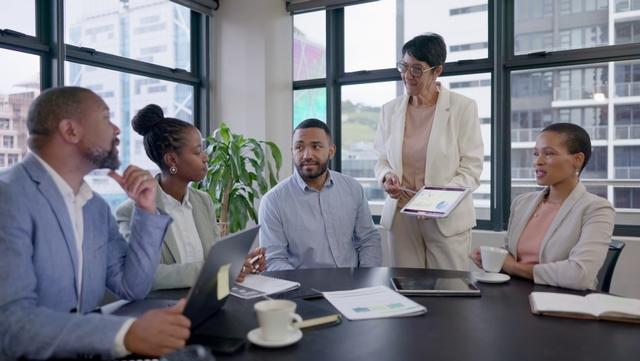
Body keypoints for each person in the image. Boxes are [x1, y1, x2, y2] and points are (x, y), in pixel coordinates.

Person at [0, 87, 190, 360]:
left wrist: (146, 210)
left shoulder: (96, 209)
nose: (116, 129)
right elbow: (10, 325)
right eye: (105, 117)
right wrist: (125, 334)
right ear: (71, 131)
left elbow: (132, 286)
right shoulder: (8, 197)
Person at [116, 104, 265, 289]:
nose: (205, 158)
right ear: (172, 160)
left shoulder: (203, 201)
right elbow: (147, 275)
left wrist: (236, 261)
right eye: (197, 152)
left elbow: (213, 257)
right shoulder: (131, 212)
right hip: (163, 310)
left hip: (208, 301)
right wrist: (213, 269)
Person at [374, 33, 484, 270]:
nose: (407, 76)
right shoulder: (389, 110)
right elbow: (382, 159)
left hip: (445, 218)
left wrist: (436, 202)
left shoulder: (462, 108)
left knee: (449, 291)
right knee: (407, 287)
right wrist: (386, 176)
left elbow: (471, 169)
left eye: (416, 69)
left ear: (437, 71)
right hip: (402, 215)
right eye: (404, 67)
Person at [472, 123, 614, 290]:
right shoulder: (522, 203)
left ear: (577, 160)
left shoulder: (597, 209)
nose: (538, 162)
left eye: (548, 154)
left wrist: (513, 267)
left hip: (561, 302)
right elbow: (512, 254)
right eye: (536, 154)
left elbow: (579, 276)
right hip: (514, 294)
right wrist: (492, 259)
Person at [259, 118, 382, 270]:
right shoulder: (273, 201)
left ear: (331, 151)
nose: (307, 155)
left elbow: (368, 240)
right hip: (302, 289)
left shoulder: (353, 188)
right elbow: (274, 259)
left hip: (353, 286)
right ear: (292, 151)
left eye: (316, 146)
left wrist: (366, 279)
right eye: (299, 147)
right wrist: (302, 289)